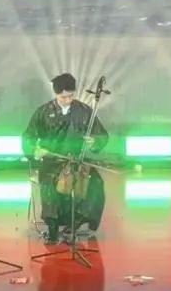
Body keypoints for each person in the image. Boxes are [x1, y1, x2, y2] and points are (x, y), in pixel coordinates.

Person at [23, 73, 109, 245]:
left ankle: (77, 221)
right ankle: (53, 226)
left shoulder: (84, 111)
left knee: (96, 182)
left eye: (71, 96)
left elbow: (102, 135)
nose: (68, 100)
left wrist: (94, 142)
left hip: (77, 161)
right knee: (50, 183)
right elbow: (28, 138)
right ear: (56, 94)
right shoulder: (44, 112)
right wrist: (35, 150)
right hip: (52, 162)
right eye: (64, 97)